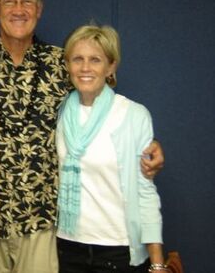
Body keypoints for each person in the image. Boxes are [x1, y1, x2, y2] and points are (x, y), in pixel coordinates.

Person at [0, 0, 164, 273]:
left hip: (41, 221)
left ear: (39, 10)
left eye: (27, 1)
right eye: (9, 1)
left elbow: (101, 107)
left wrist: (147, 145)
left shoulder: (60, 64)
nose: (18, 9)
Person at [56, 24, 168, 273]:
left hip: (117, 251)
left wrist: (157, 262)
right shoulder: (59, 112)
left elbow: (145, 190)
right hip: (66, 247)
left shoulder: (133, 115)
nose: (85, 68)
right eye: (78, 59)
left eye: (95, 60)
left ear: (111, 67)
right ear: (68, 65)